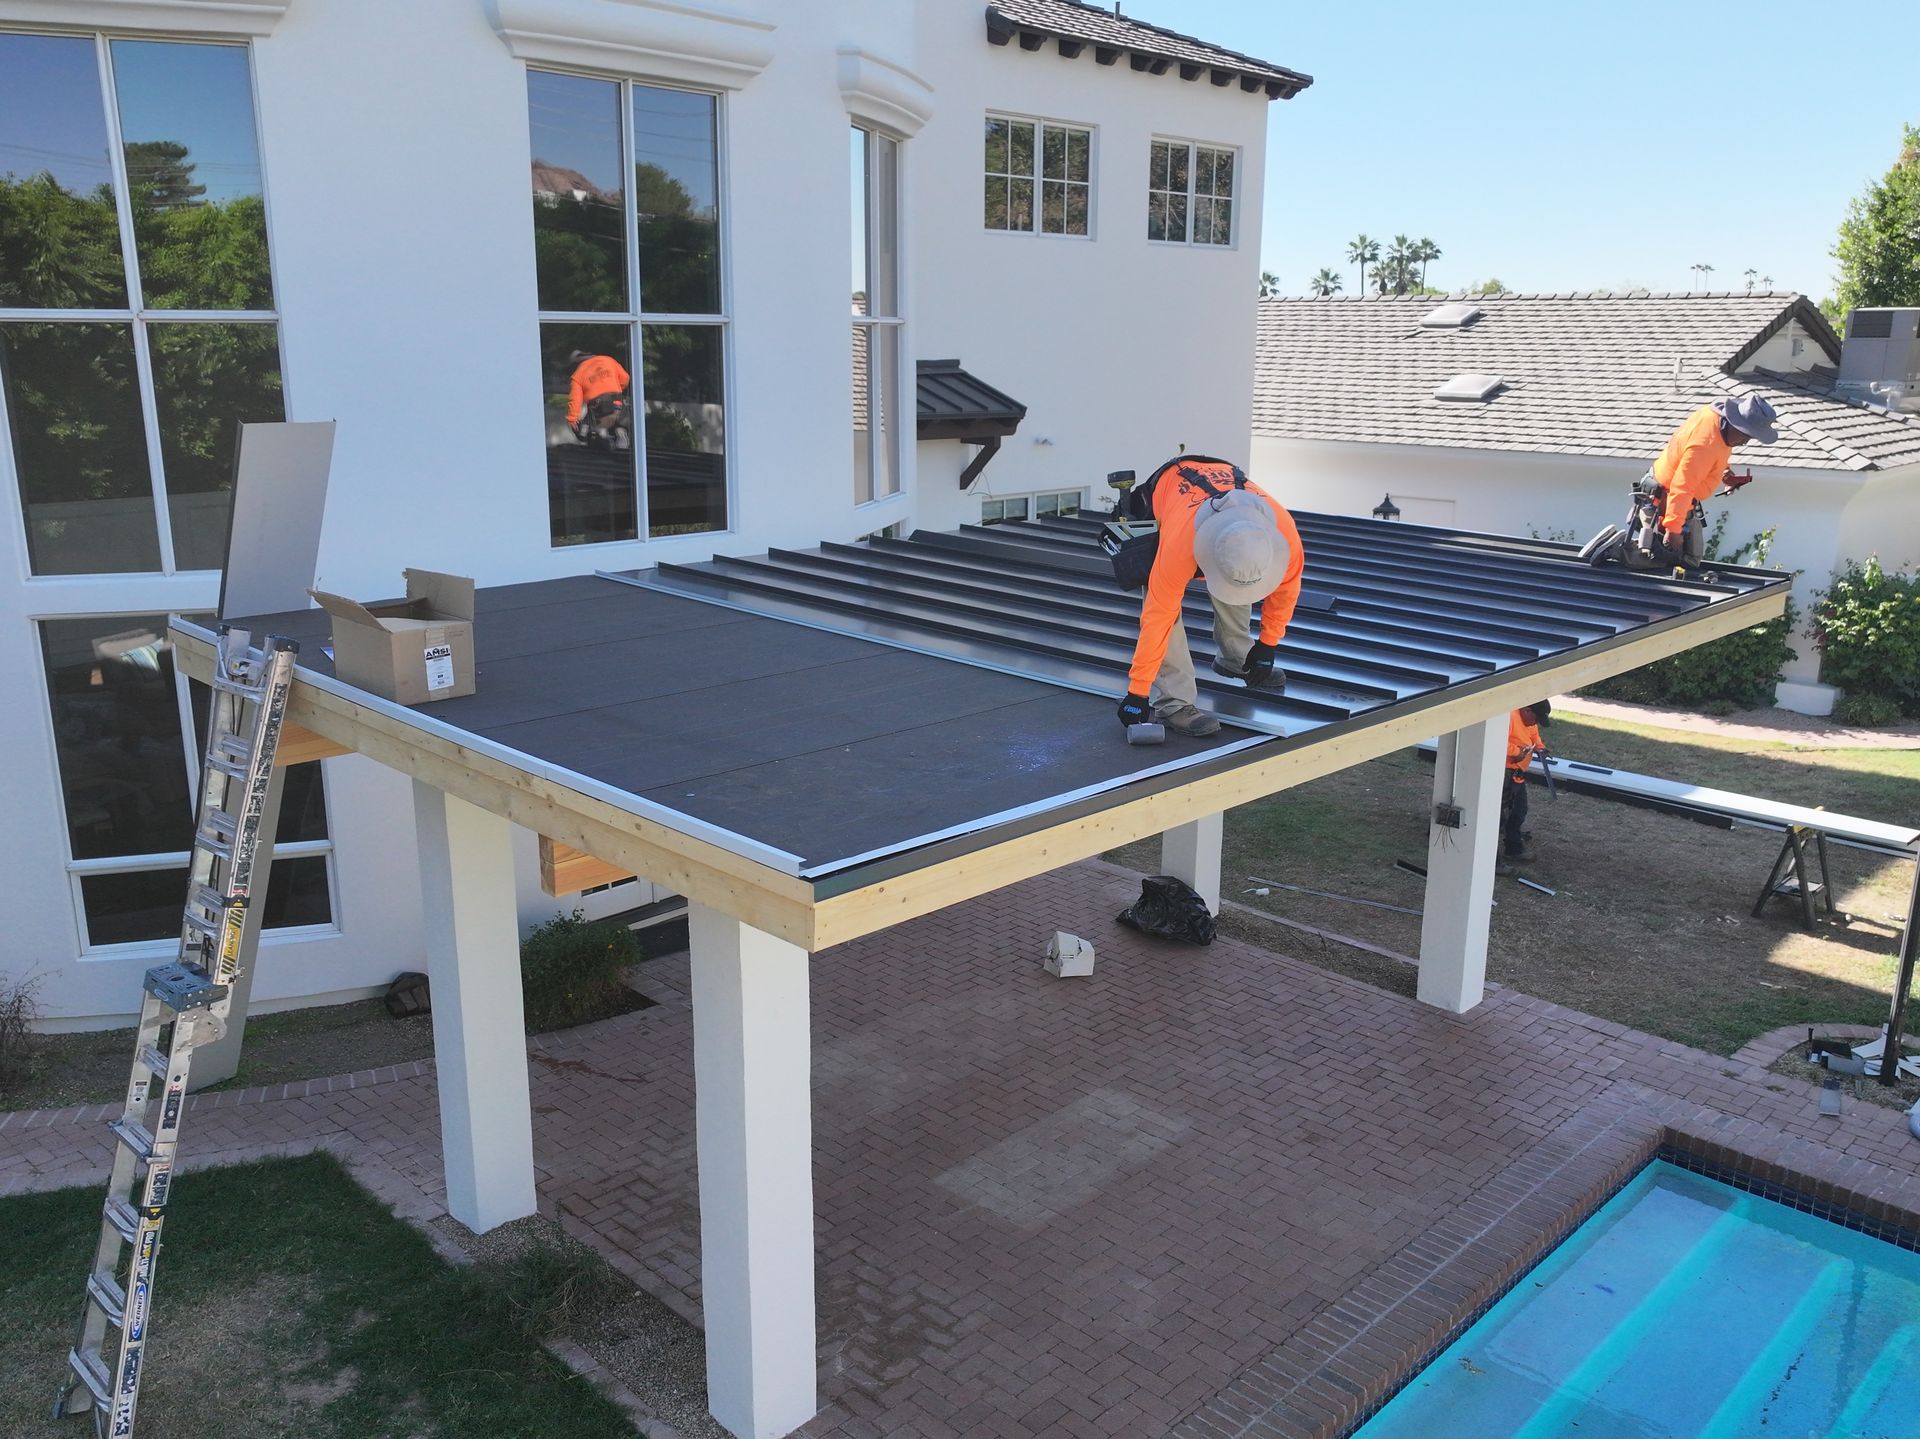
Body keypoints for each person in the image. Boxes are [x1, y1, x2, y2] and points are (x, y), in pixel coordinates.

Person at [1115, 456, 1304, 738]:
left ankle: (1236, 657)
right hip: (1169, 496)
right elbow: (1158, 620)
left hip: (1215, 486)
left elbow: (1287, 588)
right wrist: (1137, 691)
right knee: (1166, 613)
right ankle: (1174, 702)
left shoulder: (1283, 535)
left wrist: (1268, 644)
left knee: (1240, 574)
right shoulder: (1179, 547)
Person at [1643, 394, 1778, 565]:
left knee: (1689, 559)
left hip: (1678, 502)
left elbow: (1713, 457)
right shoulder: (1705, 445)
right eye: (1746, 435)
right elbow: (1682, 485)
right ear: (1734, 423)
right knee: (1665, 559)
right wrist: (1673, 529)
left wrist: (1724, 473)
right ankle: (1615, 551)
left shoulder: (1717, 422)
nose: (1745, 442)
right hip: (1665, 503)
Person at [1501, 700, 1551, 863]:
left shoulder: (1530, 721)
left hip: (1518, 773)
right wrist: (1516, 752)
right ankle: (1506, 851)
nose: (1535, 723)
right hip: (1505, 772)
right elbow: (1497, 740)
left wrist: (1540, 747)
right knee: (1499, 814)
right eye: (1535, 719)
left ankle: (1513, 847)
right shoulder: (1509, 717)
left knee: (1519, 810)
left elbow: (1533, 735)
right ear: (1527, 710)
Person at [565, 350, 632, 446]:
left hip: (598, 402)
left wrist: (572, 418)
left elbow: (575, 399)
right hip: (616, 398)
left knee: (594, 424)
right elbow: (625, 378)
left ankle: (601, 434)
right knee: (617, 417)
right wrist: (616, 388)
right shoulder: (608, 360)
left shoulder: (577, 375)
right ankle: (619, 430)